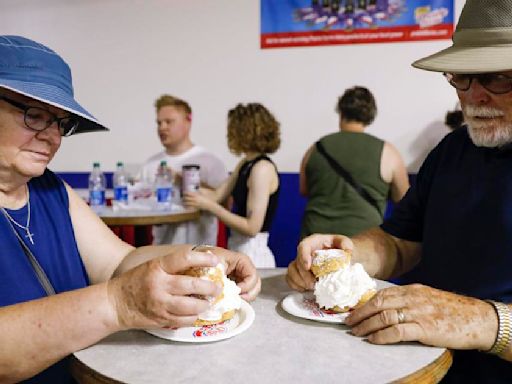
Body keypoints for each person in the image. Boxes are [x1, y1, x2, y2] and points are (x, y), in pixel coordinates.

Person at [0, 36, 260, 383]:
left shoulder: (51, 190)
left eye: (61, 123)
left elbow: (118, 263)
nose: (53, 137)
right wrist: (118, 303)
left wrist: (202, 257)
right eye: (34, 115)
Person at [286, 1, 512, 382]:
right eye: (462, 77)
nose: (474, 96)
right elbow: (399, 242)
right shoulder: (452, 151)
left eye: (496, 77)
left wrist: (481, 320)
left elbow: (470, 318)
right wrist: (346, 258)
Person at [300, 86, 409, 239]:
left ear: (341, 112)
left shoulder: (316, 148)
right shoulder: (388, 152)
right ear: (370, 115)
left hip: (316, 239)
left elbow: (304, 189)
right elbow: (403, 198)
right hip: (364, 241)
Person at [183, 103, 280, 268]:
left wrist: (210, 206)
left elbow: (252, 227)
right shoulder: (245, 163)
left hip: (253, 254)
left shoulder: (262, 169)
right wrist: (187, 182)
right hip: (238, 248)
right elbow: (216, 195)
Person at [140, 95, 227, 246]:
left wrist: (186, 181)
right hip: (162, 253)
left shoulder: (209, 161)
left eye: (169, 122)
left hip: (201, 253)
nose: (162, 128)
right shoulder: (150, 165)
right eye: (159, 123)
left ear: (188, 121)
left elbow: (226, 205)